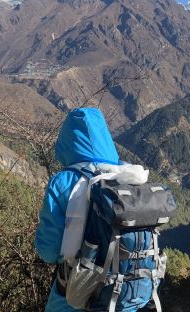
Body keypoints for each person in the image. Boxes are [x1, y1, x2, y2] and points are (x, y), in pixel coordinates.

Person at [35, 107, 121, 312]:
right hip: (124, 291)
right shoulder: (127, 177)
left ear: (67, 142)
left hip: (76, 292)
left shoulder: (63, 182)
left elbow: (48, 250)